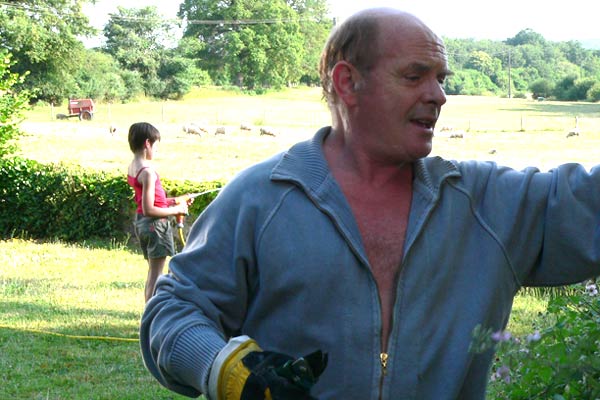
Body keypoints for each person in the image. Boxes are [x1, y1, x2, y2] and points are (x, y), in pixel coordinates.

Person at [140, 8, 600, 399]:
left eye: (441, 79)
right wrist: (225, 370)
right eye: (414, 76)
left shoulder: (488, 203)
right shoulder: (260, 199)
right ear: (348, 83)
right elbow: (172, 312)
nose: (438, 96)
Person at [127, 122, 190, 303]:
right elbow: (149, 209)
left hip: (142, 225)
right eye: (156, 146)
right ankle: (151, 317)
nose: (156, 150)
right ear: (147, 143)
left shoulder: (133, 167)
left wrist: (175, 201)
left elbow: (148, 201)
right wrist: (176, 209)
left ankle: (150, 314)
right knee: (156, 275)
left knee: (153, 272)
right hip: (155, 227)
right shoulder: (148, 172)